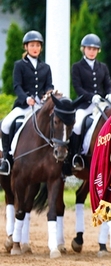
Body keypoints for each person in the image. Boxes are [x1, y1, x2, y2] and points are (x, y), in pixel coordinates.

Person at [1, 30, 54, 176]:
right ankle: (7, 159)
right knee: (6, 124)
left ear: (41, 48)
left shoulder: (46, 67)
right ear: (26, 47)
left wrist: (49, 93)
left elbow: (49, 85)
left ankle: (58, 159)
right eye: (32, 45)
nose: (35, 48)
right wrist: (26, 98)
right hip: (24, 106)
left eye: (37, 45)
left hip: (40, 107)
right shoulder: (19, 65)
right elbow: (17, 86)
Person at [69, 33, 111, 175]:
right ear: (83, 49)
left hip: (100, 105)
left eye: (94, 49)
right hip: (84, 105)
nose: (92, 51)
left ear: (98, 51)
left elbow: (108, 84)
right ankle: (76, 156)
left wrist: (110, 93)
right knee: (77, 125)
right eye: (89, 48)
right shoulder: (77, 67)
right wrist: (91, 96)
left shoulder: (103, 67)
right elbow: (77, 88)